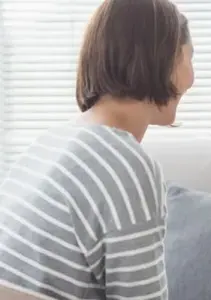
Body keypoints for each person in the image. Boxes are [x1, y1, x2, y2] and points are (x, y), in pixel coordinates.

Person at [0, 0, 194, 299]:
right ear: (162, 59)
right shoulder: (127, 168)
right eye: (189, 58)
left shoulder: (48, 144)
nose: (192, 78)